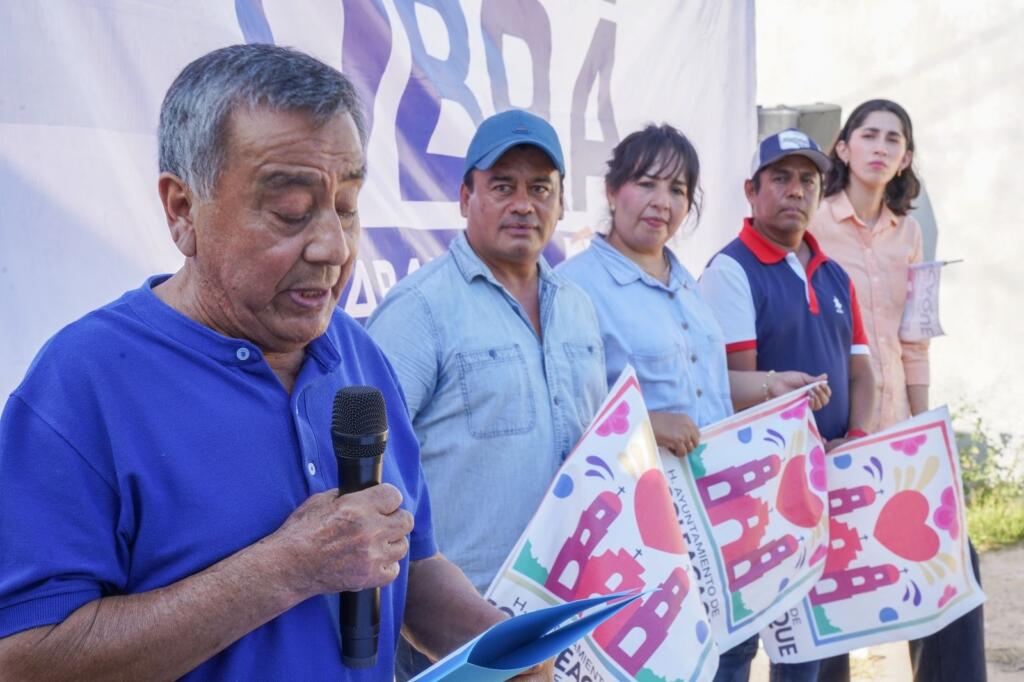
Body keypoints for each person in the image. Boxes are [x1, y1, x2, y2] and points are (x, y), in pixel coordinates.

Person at [0, 44, 549, 681]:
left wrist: (505, 647)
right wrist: (286, 570)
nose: (333, 246)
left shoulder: (357, 351)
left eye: (346, 207)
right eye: (290, 212)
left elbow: (413, 562)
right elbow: (25, 660)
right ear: (182, 211)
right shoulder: (84, 382)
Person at [366, 109, 608, 680]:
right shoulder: (420, 311)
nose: (523, 204)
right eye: (503, 186)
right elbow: (363, 469)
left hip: (564, 609)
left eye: (540, 188)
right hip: (452, 630)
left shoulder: (577, 307)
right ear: (464, 196)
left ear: (560, 202)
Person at [810, 99, 986, 682]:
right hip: (835, 427)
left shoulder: (907, 232)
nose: (881, 147)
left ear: (906, 157)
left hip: (899, 431)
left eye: (894, 140)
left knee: (952, 562)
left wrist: (925, 425)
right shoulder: (812, 221)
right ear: (844, 147)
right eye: (869, 135)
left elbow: (914, 338)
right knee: (832, 577)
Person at [700, 128, 877, 681]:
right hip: (756, 492)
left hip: (825, 486)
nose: (795, 190)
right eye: (781, 178)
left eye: (808, 180)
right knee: (738, 646)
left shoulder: (835, 274)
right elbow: (733, 386)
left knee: (807, 642)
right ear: (752, 191)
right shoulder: (730, 270)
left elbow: (862, 370)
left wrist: (858, 438)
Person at [556, 124, 829, 466]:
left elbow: (704, 384)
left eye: (677, 190)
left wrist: (770, 385)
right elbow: (563, 414)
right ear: (611, 191)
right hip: (633, 497)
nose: (661, 202)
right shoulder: (573, 287)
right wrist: (647, 425)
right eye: (646, 184)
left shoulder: (685, 282)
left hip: (708, 489)